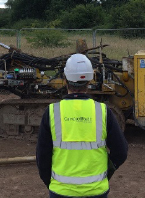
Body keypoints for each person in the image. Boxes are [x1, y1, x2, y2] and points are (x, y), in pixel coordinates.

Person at [36, 53, 128, 198]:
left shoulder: (52, 112)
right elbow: (121, 151)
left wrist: (52, 184)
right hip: (96, 191)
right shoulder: (103, 111)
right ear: (90, 80)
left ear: (65, 79)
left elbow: (42, 156)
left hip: (61, 191)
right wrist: (106, 173)